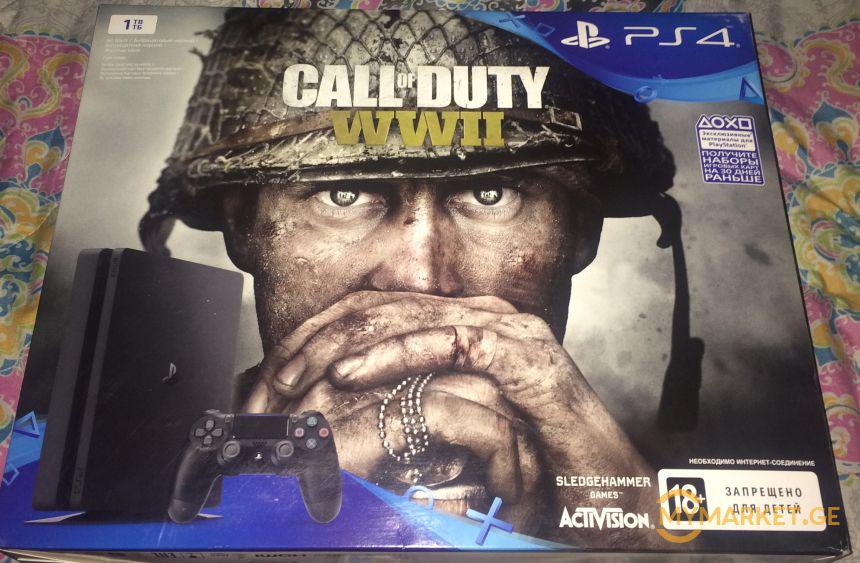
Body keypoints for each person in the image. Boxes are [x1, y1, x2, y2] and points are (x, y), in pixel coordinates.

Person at [140, 9, 682, 545]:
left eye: (490, 193)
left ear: (582, 231)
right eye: (344, 193)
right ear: (242, 226)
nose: (421, 280)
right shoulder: (127, 478)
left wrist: (633, 535)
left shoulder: (658, 501)